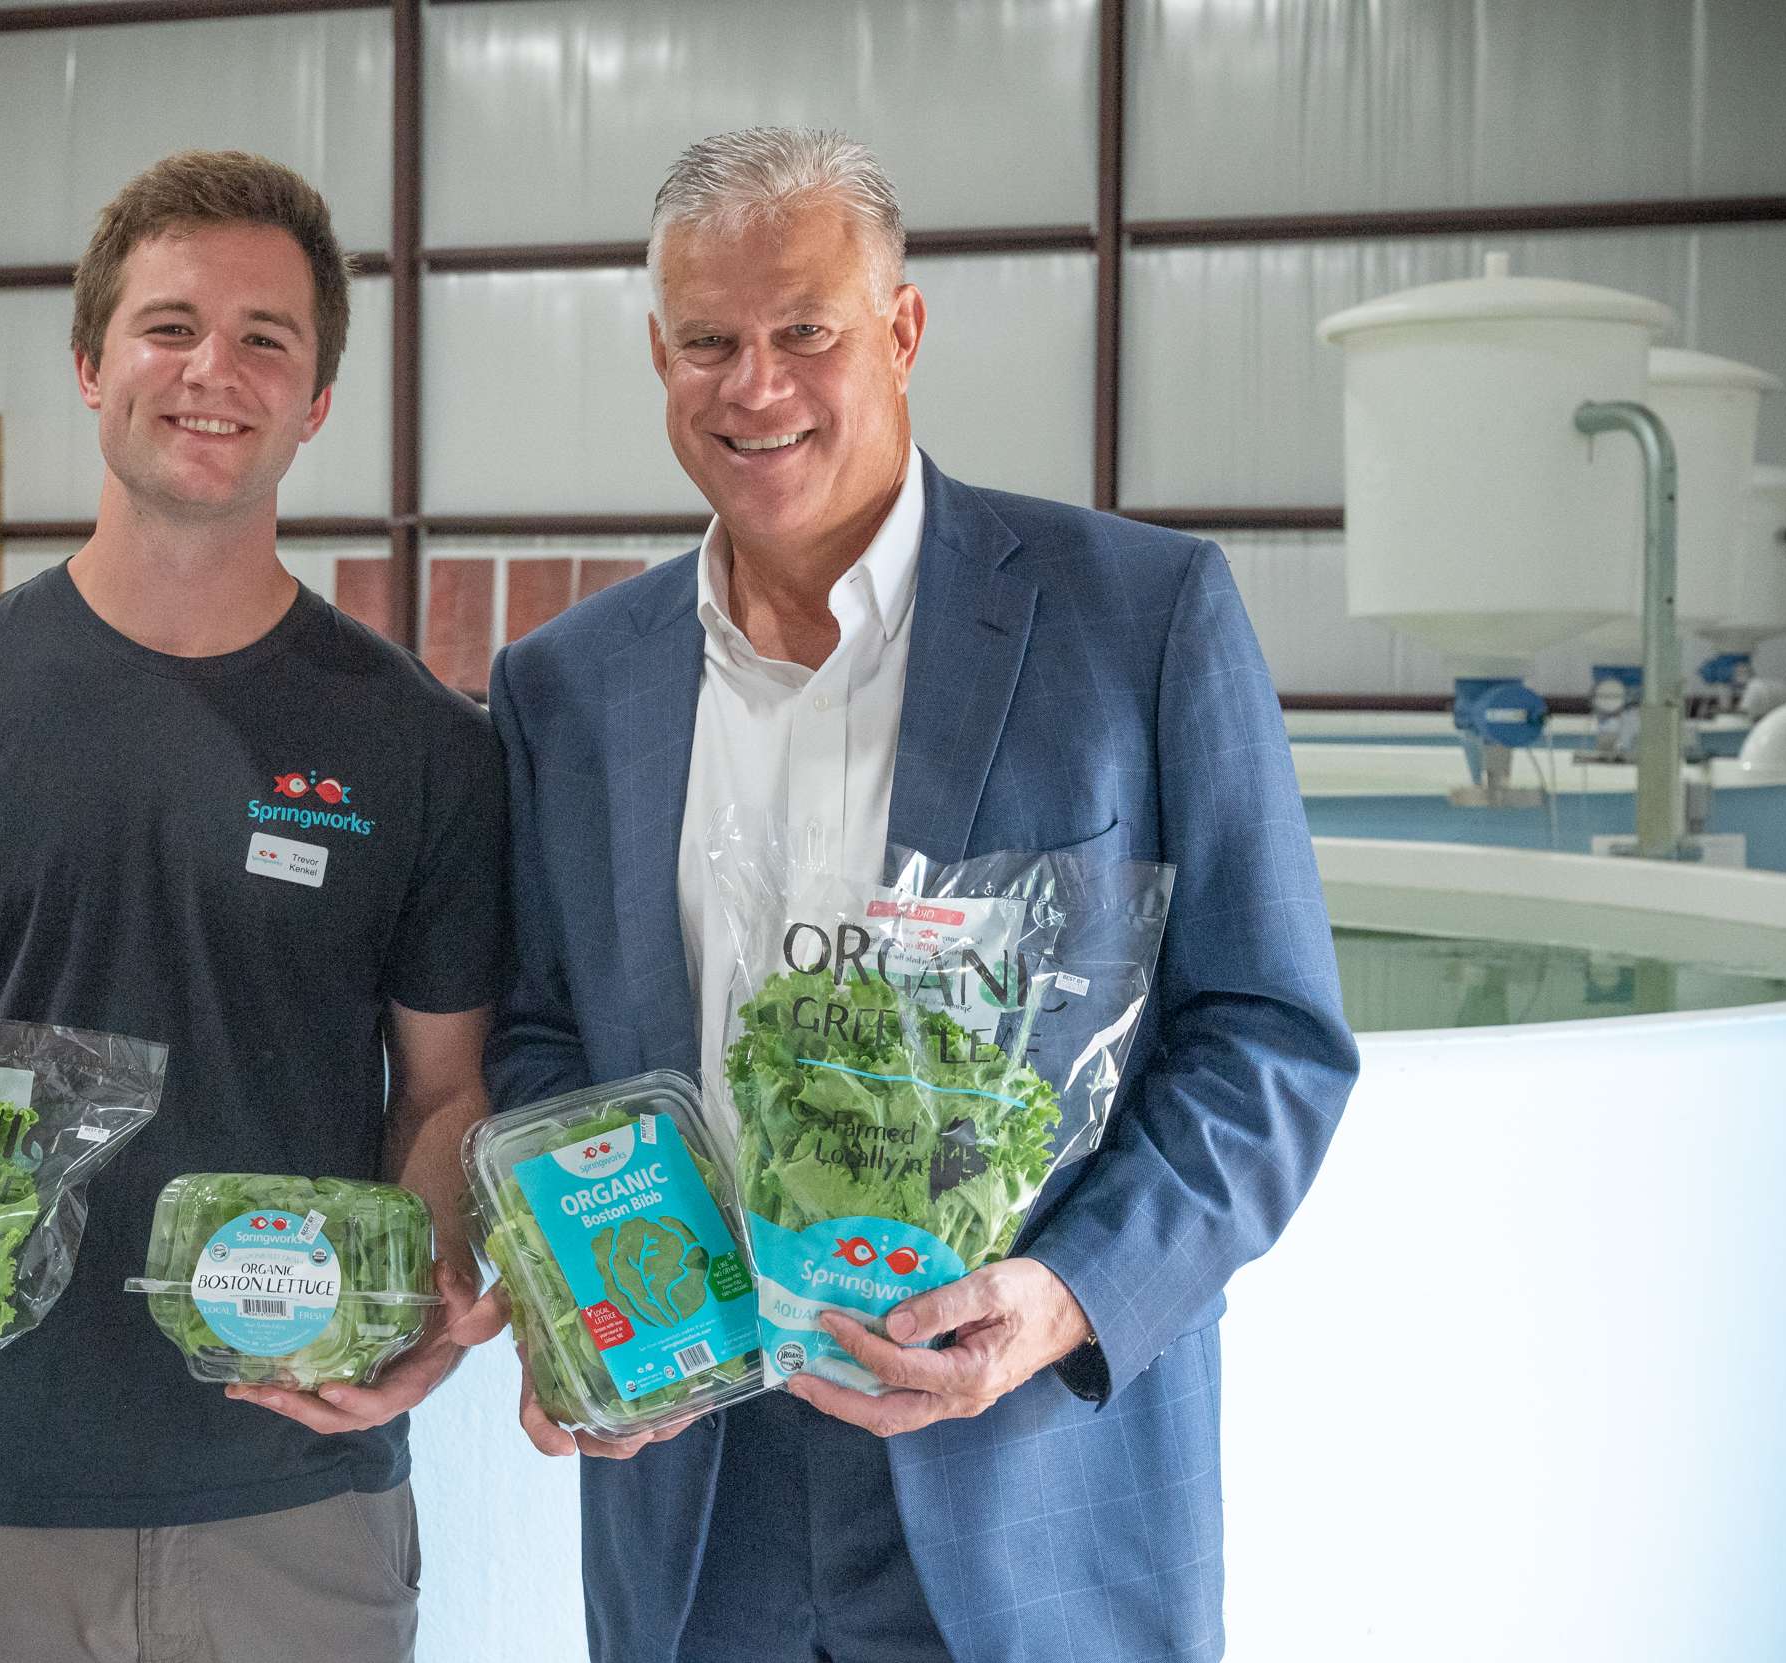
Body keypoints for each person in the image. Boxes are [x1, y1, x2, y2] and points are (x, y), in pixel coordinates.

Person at [461, 126, 1360, 1662]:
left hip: (1029, 1479)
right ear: (659, 356)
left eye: (805, 330)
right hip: (698, 1486)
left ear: (902, 328)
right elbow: (546, 1035)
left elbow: (1271, 1040)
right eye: (709, 342)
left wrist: (1068, 1297)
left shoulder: (1138, 617)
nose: (757, 386)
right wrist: (570, 1280)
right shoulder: (568, 686)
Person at [0, 149, 504, 1662]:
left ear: (314, 405)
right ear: (90, 363)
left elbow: (442, 1093)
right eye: (170, 326)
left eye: (266, 339)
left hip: (294, 1481)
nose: (211, 372)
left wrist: (426, 1300)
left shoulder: (425, 747)